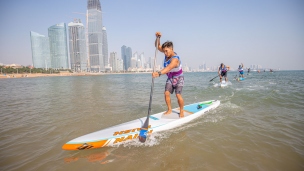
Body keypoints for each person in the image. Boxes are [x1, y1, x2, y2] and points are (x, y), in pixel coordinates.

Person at [152, 32, 185, 118]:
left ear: (172, 49)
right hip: (170, 77)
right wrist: (158, 38)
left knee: (178, 95)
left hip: (179, 78)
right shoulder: (166, 52)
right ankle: (169, 109)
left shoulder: (175, 59)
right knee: (166, 93)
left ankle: (181, 111)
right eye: (164, 51)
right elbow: (157, 46)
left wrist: (158, 73)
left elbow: (169, 68)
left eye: (166, 51)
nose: (165, 53)